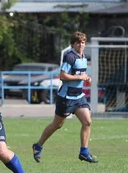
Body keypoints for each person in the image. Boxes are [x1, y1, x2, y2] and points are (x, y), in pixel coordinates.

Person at [32, 31, 98, 163]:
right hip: (66, 98)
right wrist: (80, 77)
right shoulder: (70, 57)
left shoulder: (83, 57)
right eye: (78, 42)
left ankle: (84, 152)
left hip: (78, 96)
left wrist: (87, 78)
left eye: (83, 42)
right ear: (73, 44)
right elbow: (62, 76)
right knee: (57, 125)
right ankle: (38, 146)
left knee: (87, 122)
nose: (81, 45)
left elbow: (80, 74)